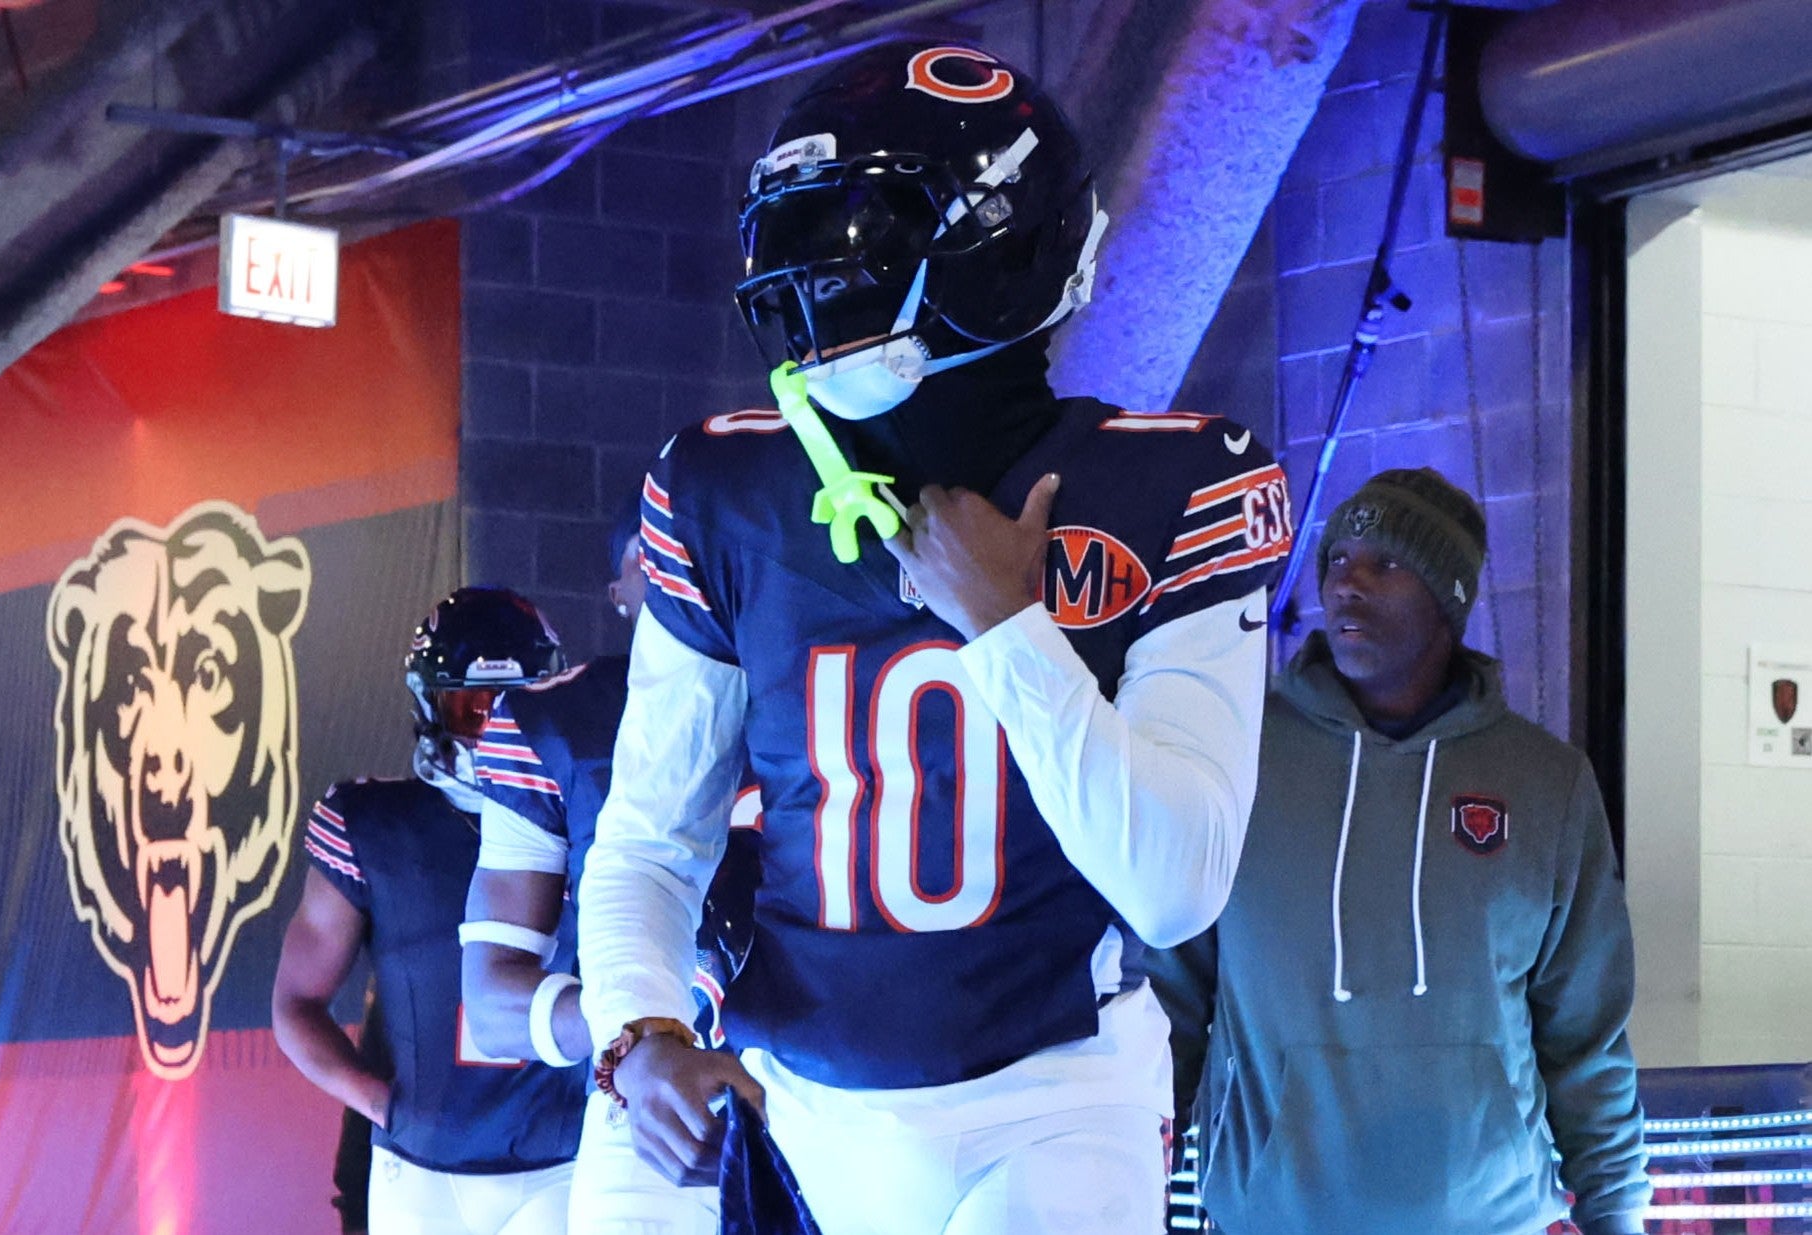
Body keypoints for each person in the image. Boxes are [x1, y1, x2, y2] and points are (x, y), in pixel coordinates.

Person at [573, 42, 1292, 1235]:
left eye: (856, 242)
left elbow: (1174, 886)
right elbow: (651, 838)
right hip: (798, 1099)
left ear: (1001, 256)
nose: (813, 286)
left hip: (1055, 1096)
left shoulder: (1174, 482)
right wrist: (638, 1027)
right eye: (800, 243)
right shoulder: (725, 487)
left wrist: (1008, 626)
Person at [1150, 468, 1651, 1235]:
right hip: (1272, 1216)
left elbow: (1586, 1033)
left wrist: (1615, 1210)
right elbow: (1170, 997)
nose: (1347, 583)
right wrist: (1131, 1174)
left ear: (1448, 598)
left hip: (1490, 1219)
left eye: (1385, 563)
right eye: (1338, 559)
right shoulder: (1240, 755)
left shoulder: (1546, 783)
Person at [461, 516, 760, 1235]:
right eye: (648, 552)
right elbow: (492, 1004)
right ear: (621, 587)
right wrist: (636, 1036)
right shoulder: (555, 719)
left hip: (847, 1094)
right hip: (649, 1125)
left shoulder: (835, 677)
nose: (680, 568)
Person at [272, 587, 585, 1235]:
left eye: (513, 703)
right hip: (421, 1168)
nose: (495, 726)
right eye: (473, 707)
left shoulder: (595, 817)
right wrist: (379, 1103)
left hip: (566, 1159)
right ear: (430, 703)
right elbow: (295, 1002)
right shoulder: (370, 822)